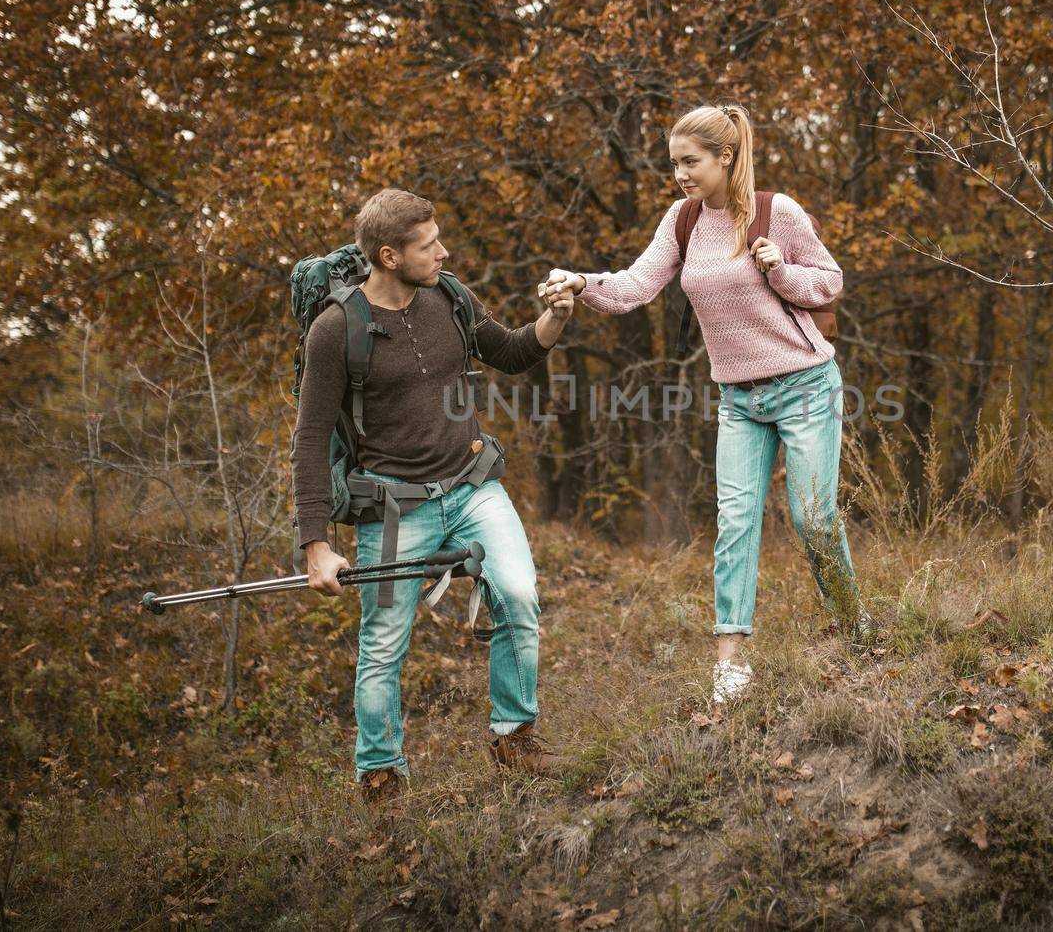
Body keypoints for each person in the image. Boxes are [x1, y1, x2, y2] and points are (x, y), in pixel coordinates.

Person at [539, 103, 863, 706]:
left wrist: (781, 270)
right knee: (735, 524)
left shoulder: (777, 211)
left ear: (726, 157)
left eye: (690, 162)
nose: (681, 174)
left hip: (805, 384)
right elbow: (636, 286)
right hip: (738, 398)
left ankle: (855, 631)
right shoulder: (682, 220)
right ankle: (731, 664)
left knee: (813, 520)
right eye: (674, 164)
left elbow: (831, 281)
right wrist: (583, 283)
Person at [293, 188, 572, 802]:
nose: (443, 252)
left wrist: (557, 316)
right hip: (394, 507)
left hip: (473, 488)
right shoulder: (336, 330)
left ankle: (514, 737)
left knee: (519, 596)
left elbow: (513, 351)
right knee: (384, 641)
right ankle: (381, 774)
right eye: (428, 245)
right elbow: (310, 440)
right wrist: (315, 545)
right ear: (389, 256)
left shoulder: (450, 297)